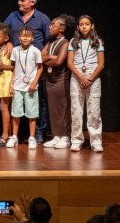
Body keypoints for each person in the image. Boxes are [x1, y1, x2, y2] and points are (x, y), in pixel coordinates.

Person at [3, 0, 52, 143]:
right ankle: (16, 134)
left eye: (22, 0)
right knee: (17, 99)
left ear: (32, 2)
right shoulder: (13, 16)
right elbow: (4, 31)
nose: (19, 3)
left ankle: (38, 132)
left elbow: (50, 39)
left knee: (38, 100)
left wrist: (43, 53)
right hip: (17, 65)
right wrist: (8, 43)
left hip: (35, 65)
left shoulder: (42, 18)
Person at [67, 15, 105, 153]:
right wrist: (82, 77)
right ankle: (76, 140)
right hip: (77, 77)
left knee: (94, 111)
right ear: (78, 26)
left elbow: (101, 64)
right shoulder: (73, 41)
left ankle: (96, 141)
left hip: (93, 78)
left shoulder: (98, 41)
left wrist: (89, 79)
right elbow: (70, 63)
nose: (84, 26)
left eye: (87, 24)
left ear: (92, 26)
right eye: (81, 24)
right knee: (76, 111)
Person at [6, 25, 44, 149]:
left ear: (32, 37)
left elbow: (40, 68)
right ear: (19, 37)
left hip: (31, 87)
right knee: (16, 113)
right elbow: (14, 67)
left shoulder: (35, 51)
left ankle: (32, 137)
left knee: (31, 113)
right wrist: (12, 83)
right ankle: (14, 137)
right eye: (23, 35)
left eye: (28, 36)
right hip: (17, 86)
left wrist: (34, 82)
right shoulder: (15, 50)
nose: (25, 38)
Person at [42, 15, 73, 149]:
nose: (50, 27)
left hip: (61, 79)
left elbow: (59, 61)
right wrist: (49, 56)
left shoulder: (66, 42)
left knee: (63, 107)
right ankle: (56, 135)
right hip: (50, 79)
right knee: (53, 107)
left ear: (61, 28)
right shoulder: (50, 42)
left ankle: (65, 137)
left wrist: (48, 58)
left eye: (53, 25)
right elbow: (40, 57)